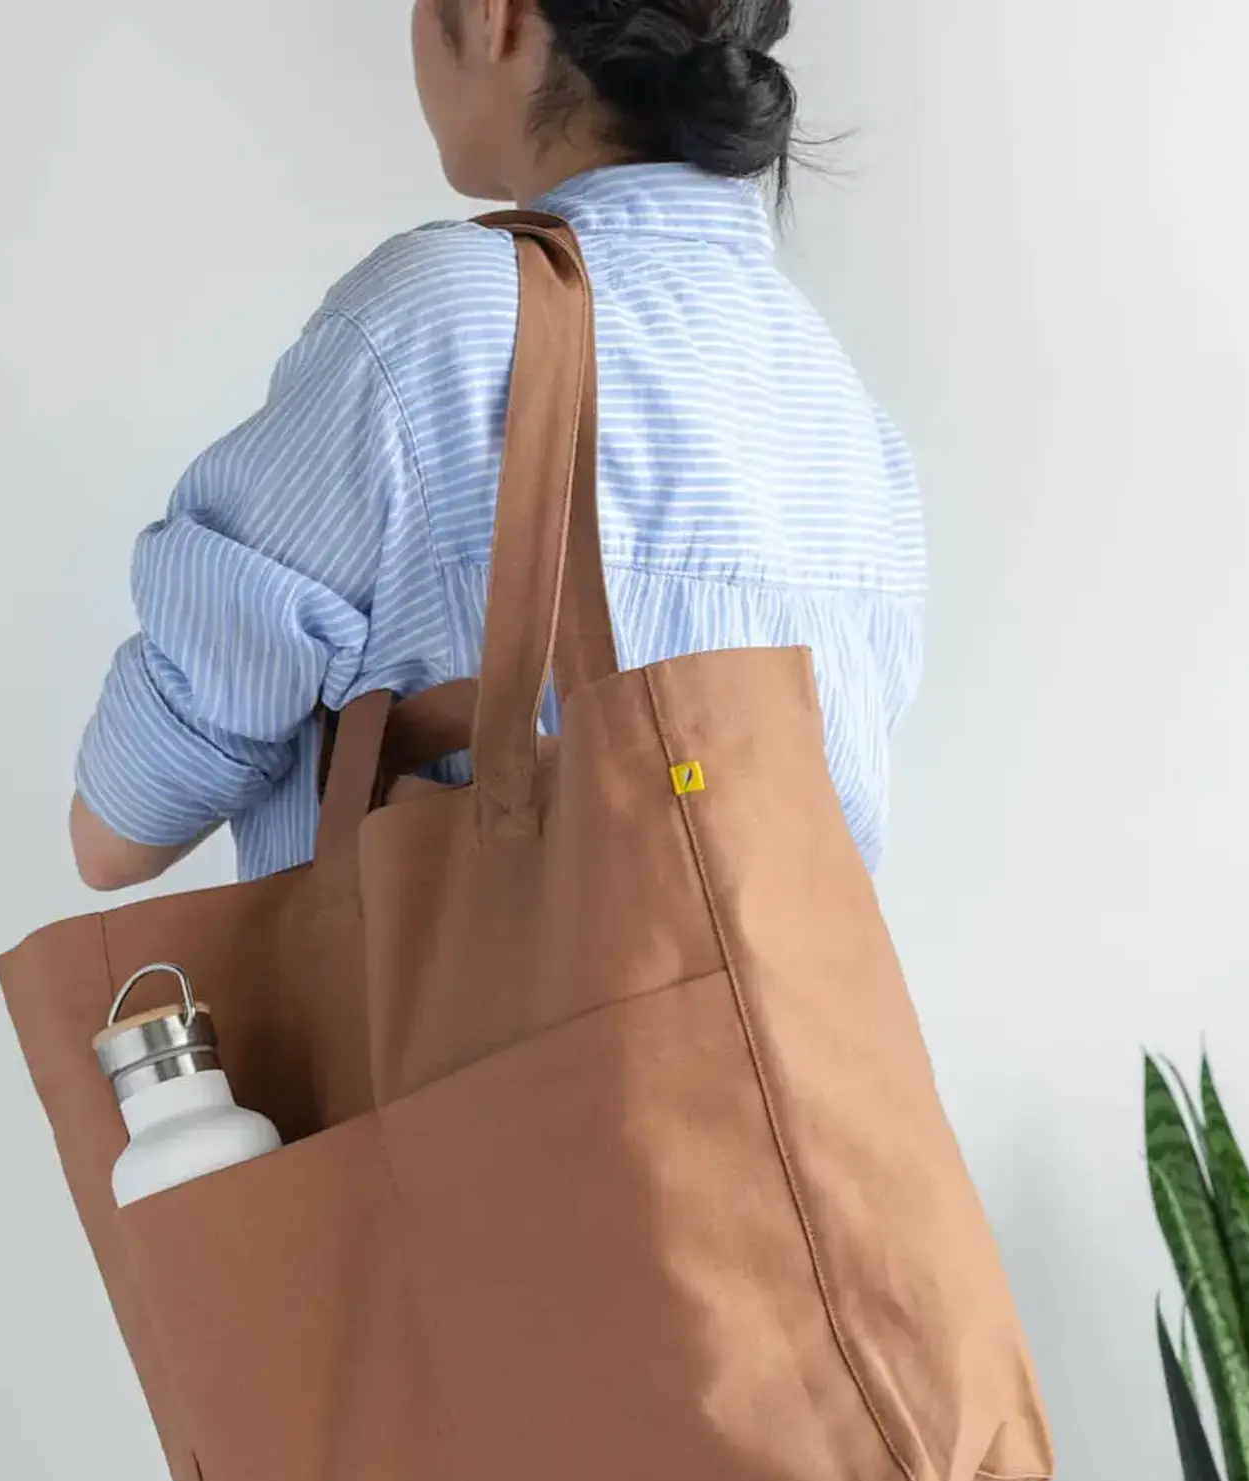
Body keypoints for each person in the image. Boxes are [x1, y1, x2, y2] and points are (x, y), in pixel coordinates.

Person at [69, 0, 926, 892]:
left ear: (495, 15)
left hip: (469, 992)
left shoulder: (438, 324)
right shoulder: (838, 403)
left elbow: (121, 832)